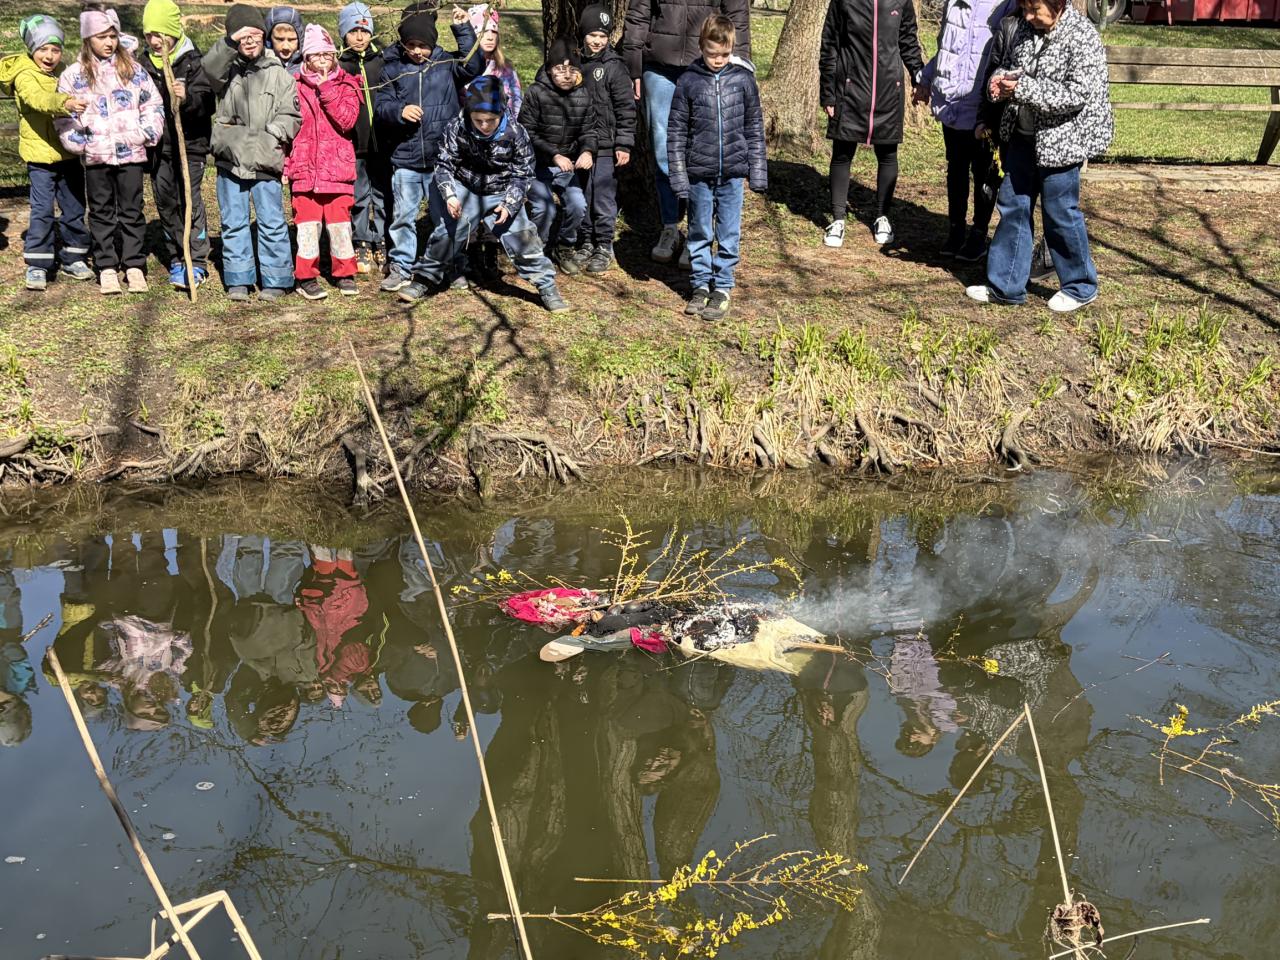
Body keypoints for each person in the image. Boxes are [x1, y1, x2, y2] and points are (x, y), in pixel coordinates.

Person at [966, 0, 1112, 312]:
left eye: (1035, 9)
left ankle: (1080, 286)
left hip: (1063, 140)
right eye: (1025, 8)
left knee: (1060, 212)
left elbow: (1076, 94)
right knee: (1013, 206)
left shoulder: (1082, 35)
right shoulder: (1024, 28)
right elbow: (1010, 64)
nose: (1028, 16)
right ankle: (1005, 286)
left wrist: (1022, 89)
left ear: (1057, 3)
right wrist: (999, 80)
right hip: (1022, 136)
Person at [397, 75, 570, 313]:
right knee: (447, 233)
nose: (484, 125)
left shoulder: (516, 132)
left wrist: (510, 204)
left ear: (501, 113)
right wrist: (450, 195)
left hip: (502, 191)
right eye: (478, 120)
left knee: (523, 239)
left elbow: (523, 174)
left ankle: (547, 287)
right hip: (466, 188)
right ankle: (424, 279)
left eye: (491, 120)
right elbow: (444, 164)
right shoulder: (457, 127)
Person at [622, 0, 752, 265]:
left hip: (706, 63)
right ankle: (670, 227)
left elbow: (737, 14)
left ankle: (697, 236)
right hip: (659, 65)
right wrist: (633, 63)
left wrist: (739, 66)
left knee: (700, 152)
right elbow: (639, 12)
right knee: (663, 151)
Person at [56, 8, 164, 295]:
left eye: (113, 36)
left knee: (132, 210)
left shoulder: (133, 70)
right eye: (101, 37)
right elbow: (64, 115)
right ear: (87, 39)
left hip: (131, 152)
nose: (109, 43)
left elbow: (152, 104)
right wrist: (80, 142)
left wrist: (145, 133)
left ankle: (134, 264)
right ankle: (106, 265)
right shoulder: (73, 75)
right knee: (101, 211)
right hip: (97, 155)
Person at [375, 3, 481, 293]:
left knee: (446, 216)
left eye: (423, 45)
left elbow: (473, 65)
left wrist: (463, 30)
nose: (417, 51)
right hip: (406, 158)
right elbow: (381, 106)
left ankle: (452, 264)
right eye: (411, 45)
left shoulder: (447, 64)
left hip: (441, 161)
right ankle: (401, 266)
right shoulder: (393, 69)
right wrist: (399, 111)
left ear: (432, 43)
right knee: (403, 218)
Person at [667, 15, 766, 323]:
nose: (718, 60)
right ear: (701, 47)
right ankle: (699, 285)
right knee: (699, 230)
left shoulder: (743, 80)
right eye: (712, 54)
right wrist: (678, 174)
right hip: (698, 172)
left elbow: (754, 127)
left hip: (733, 173)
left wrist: (757, 170)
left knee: (728, 232)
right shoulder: (688, 81)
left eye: (724, 54)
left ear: (732, 49)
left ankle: (722, 286)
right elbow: (676, 132)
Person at [203, 3, 302, 301]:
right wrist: (229, 43)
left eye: (254, 35)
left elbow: (291, 115)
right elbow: (209, 69)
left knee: (272, 222)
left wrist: (273, 134)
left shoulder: (279, 73)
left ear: (263, 36)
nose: (249, 41)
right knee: (233, 222)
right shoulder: (227, 71)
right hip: (230, 159)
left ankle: (276, 278)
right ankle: (238, 277)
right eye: (242, 36)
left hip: (265, 159)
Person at [819, 0, 924, 248]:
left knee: (888, 153)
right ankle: (837, 219)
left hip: (889, 89)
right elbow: (830, 44)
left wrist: (919, 77)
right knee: (842, 152)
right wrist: (828, 92)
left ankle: (882, 216)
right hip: (850, 89)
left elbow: (908, 41)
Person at [917, 0, 1016, 261]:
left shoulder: (1006, 5)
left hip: (983, 104)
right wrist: (926, 78)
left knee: (984, 171)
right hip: (951, 102)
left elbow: (1007, 51)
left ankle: (979, 234)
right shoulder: (954, 3)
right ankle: (956, 230)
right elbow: (946, 48)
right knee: (956, 168)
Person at [0, 15, 94, 291]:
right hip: (40, 156)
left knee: (74, 206)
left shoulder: (66, 71)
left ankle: (75, 256)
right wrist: (66, 102)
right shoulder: (25, 75)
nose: (50, 56)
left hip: (68, 153)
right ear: (32, 49)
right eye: (43, 49)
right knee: (42, 210)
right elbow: (39, 100)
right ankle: (38, 263)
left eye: (55, 49)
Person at [140, 0, 214, 291]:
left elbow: (207, 101)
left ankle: (196, 259)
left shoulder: (193, 61)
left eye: (160, 34)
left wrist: (187, 98)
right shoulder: (145, 65)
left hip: (190, 145)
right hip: (159, 147)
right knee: (166, 200)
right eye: (149, 35)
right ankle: (176, 256)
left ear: (173, 31)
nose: (155, 41)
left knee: (188, 199)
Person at [287, 25, 361, 300]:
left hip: (337, 169)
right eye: (315, 54)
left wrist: (326, 87)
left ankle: (345, 274)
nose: (321, 60)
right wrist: (287, 164)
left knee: (340, 227)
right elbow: (288, 127)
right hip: (304, 169)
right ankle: (306, 277)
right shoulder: (293, 86)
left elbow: (347, 120)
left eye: (327, 54)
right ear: (305, 58)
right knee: (307, 228)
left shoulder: (347, 84)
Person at [521, 39, 597, 274]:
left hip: (566, 167)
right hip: (536, 165)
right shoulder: (536, 92)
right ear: (549, 69)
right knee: (545, 209)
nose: (566, 75)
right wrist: (554, 154)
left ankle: (564, 246)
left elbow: (588, 130)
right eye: (560, 69)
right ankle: (536, 250)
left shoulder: (583, 95)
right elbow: (526, 131)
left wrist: (587, 150)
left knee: (577, 205)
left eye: (572, 70)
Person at [578, 3, 635, 275]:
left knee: (602, 196)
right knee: (583, 196)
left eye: (603, 36)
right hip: (580, 147)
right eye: (593, 35)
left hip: (606, 146)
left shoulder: (614, 67)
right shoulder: (574, 64)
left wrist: (623, 144)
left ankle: (603, 244)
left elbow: (626, 108)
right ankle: (586, 241)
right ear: (583, 34)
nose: (597, 41)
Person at [337, 2, 388, 275]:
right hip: (353, 143)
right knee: (358, 197)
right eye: (353, 31)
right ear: (343, 33)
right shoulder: (338, 64)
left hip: (382, 142)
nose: (359, 37)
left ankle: (381, 238)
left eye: (365, 31)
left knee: (381, 195)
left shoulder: (382, 61)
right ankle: (361, 241)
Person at [264, 5, 304, 78]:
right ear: (269, 39)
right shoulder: (261, 65)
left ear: (299, 39)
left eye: (291, 39)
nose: (285, 47)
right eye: (279, 39)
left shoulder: (307, 66)